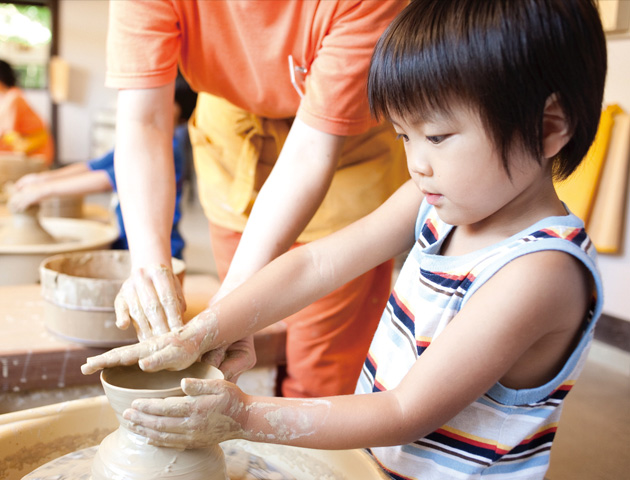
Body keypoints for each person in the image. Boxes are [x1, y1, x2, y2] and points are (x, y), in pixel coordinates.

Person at [82, 0, 607, 478]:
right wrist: (208, 328)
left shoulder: (540, 273)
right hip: (379, 465)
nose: (416, 162)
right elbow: (317, 266)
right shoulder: (433, 200)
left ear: (547, 128)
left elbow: (404, 412)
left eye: (438, 137)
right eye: (404, 135)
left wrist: (241, 416)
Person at [105, 1, 410, 394]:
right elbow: (143, 121)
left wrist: (235, 300)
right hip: (233, 140)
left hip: (340, 150)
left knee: (317, 367)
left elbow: (308, 153)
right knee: (229, 347)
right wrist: (149, 265)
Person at [9, 74, 197, 260]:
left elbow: (107, 179)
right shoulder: (140, 143)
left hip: (159, 250)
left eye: (161, 100)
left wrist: (43, 191)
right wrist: (43, 178)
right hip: (128, 239)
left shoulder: (169, 148)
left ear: (179, 111)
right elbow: (93, 166)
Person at [0, 59, 54, 165]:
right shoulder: (8, 96)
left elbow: (6, 130)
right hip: (26, 146)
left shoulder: (13, 97)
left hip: (35, 151)